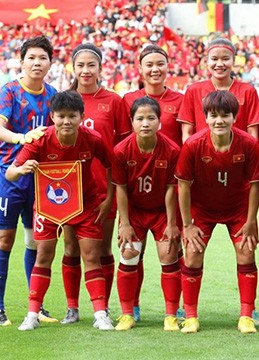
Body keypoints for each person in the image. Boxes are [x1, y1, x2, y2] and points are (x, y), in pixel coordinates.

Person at [6, 90, 115, 331]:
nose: (66, 121)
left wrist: (107, 200)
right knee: (43, 255)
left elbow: (112, 167)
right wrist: (24, 168)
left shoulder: (93, 138)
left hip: (85, 206)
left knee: (91, 257)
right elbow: (9, 173)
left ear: (81, 116)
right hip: (47, 208)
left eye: (72, 116)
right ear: (52, 117)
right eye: (61, 116)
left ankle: (100, 314)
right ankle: (33, 313)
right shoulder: (39, 140)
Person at [175, 90, 259, 334]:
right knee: (192, 254)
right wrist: (187, 224)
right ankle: (190, 316)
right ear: (206, 118)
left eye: (226, 115)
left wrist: (251, 220)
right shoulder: (193, 145)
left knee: (246, 252)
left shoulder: (248, 144)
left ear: (235, 117)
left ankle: (246, 316)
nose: (219, 121)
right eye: (214, 116)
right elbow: (183, 186)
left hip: (237, 210)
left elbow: (256, 184)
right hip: (202, 210)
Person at [58, 43, 131, 325]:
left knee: (102, 250)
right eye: (80, 65)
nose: (86, 70)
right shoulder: (64, 100)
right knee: (71, 248)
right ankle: (72, 308)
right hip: (67, 191)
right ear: (73, 68)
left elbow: (122, 148)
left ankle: (104, 307)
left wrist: (115, 192)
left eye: (91, 65)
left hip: (103, 189)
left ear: (100, 68)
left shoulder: (113, 101)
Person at [0, 35, 57, 326]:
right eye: (32, 58)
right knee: (4, 239)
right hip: (8, 175)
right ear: (22, 61)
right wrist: (20, 137)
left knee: (35, 242)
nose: (37, 63)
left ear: (50, 63)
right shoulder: (10, 92)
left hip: (38, 178)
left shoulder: (53, 94)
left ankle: (35, 307)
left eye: (42, 58)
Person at [122, 45, 185, 321]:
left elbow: (186, 141)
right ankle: (131, 308)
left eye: (160, 63)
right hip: (136, 187)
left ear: (168, 66)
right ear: (140, 68)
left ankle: (176, 307)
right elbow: (124, 145)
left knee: (171, 250)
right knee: (133, 251)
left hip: (170, 185)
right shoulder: (128, 100)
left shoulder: (181, 100)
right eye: (149, 64)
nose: (155, 69)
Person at [112, 96, 182, 331]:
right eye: (139, 118)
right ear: (131, 122)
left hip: (162, 212)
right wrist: (124, 223)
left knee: (169, 255)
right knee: (129, 254)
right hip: (134, 212)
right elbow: (120, 190)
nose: (145, 123)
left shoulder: (172, 150)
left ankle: (171, 315)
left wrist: (172, 223)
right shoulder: (121, 151)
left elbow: (172, 191)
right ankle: (126, 313)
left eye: (151, 118)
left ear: (160, 122)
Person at [177, 37, 259, 144]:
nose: (219, 64)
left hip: (239, 156)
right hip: (203, 157)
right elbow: (187, 133)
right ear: (207, 60)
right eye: (214, 59)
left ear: (234, 61)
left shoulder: (248, 91)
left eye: (225, 59)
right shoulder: (194, 91)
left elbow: (252, 133)